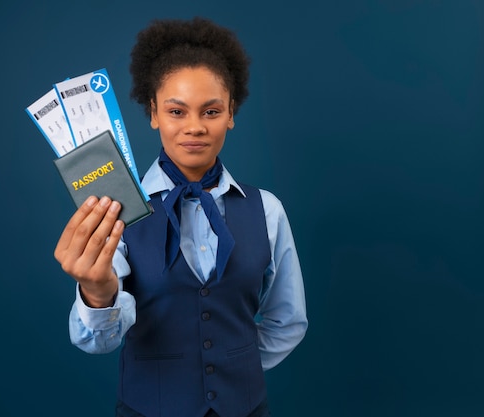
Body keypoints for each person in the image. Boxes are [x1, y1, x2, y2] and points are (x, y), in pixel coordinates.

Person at [54, 16, 308, 417]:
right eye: (176, 111)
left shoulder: (268, 210)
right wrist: (97, 293)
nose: (194, 127)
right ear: (153, 112)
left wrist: (235, 363)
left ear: (231, 113)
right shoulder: (117, 210)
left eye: (210, 111)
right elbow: (95, 342)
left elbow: (288, 319)